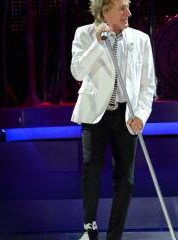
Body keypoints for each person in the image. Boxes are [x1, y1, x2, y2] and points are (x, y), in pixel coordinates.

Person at [70, 0, 156, 239]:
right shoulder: (84, 34)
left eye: (128, 7)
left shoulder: (140, 40)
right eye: (121, 8)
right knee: (91, 169)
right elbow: (77, 71)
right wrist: (97, 44)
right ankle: (90, 229)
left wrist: (141, 115)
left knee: (126, 180)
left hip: (126, 115)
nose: (128, 13)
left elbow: (148, 84)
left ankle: (114, 236)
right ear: (105, 10)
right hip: (95, 113)